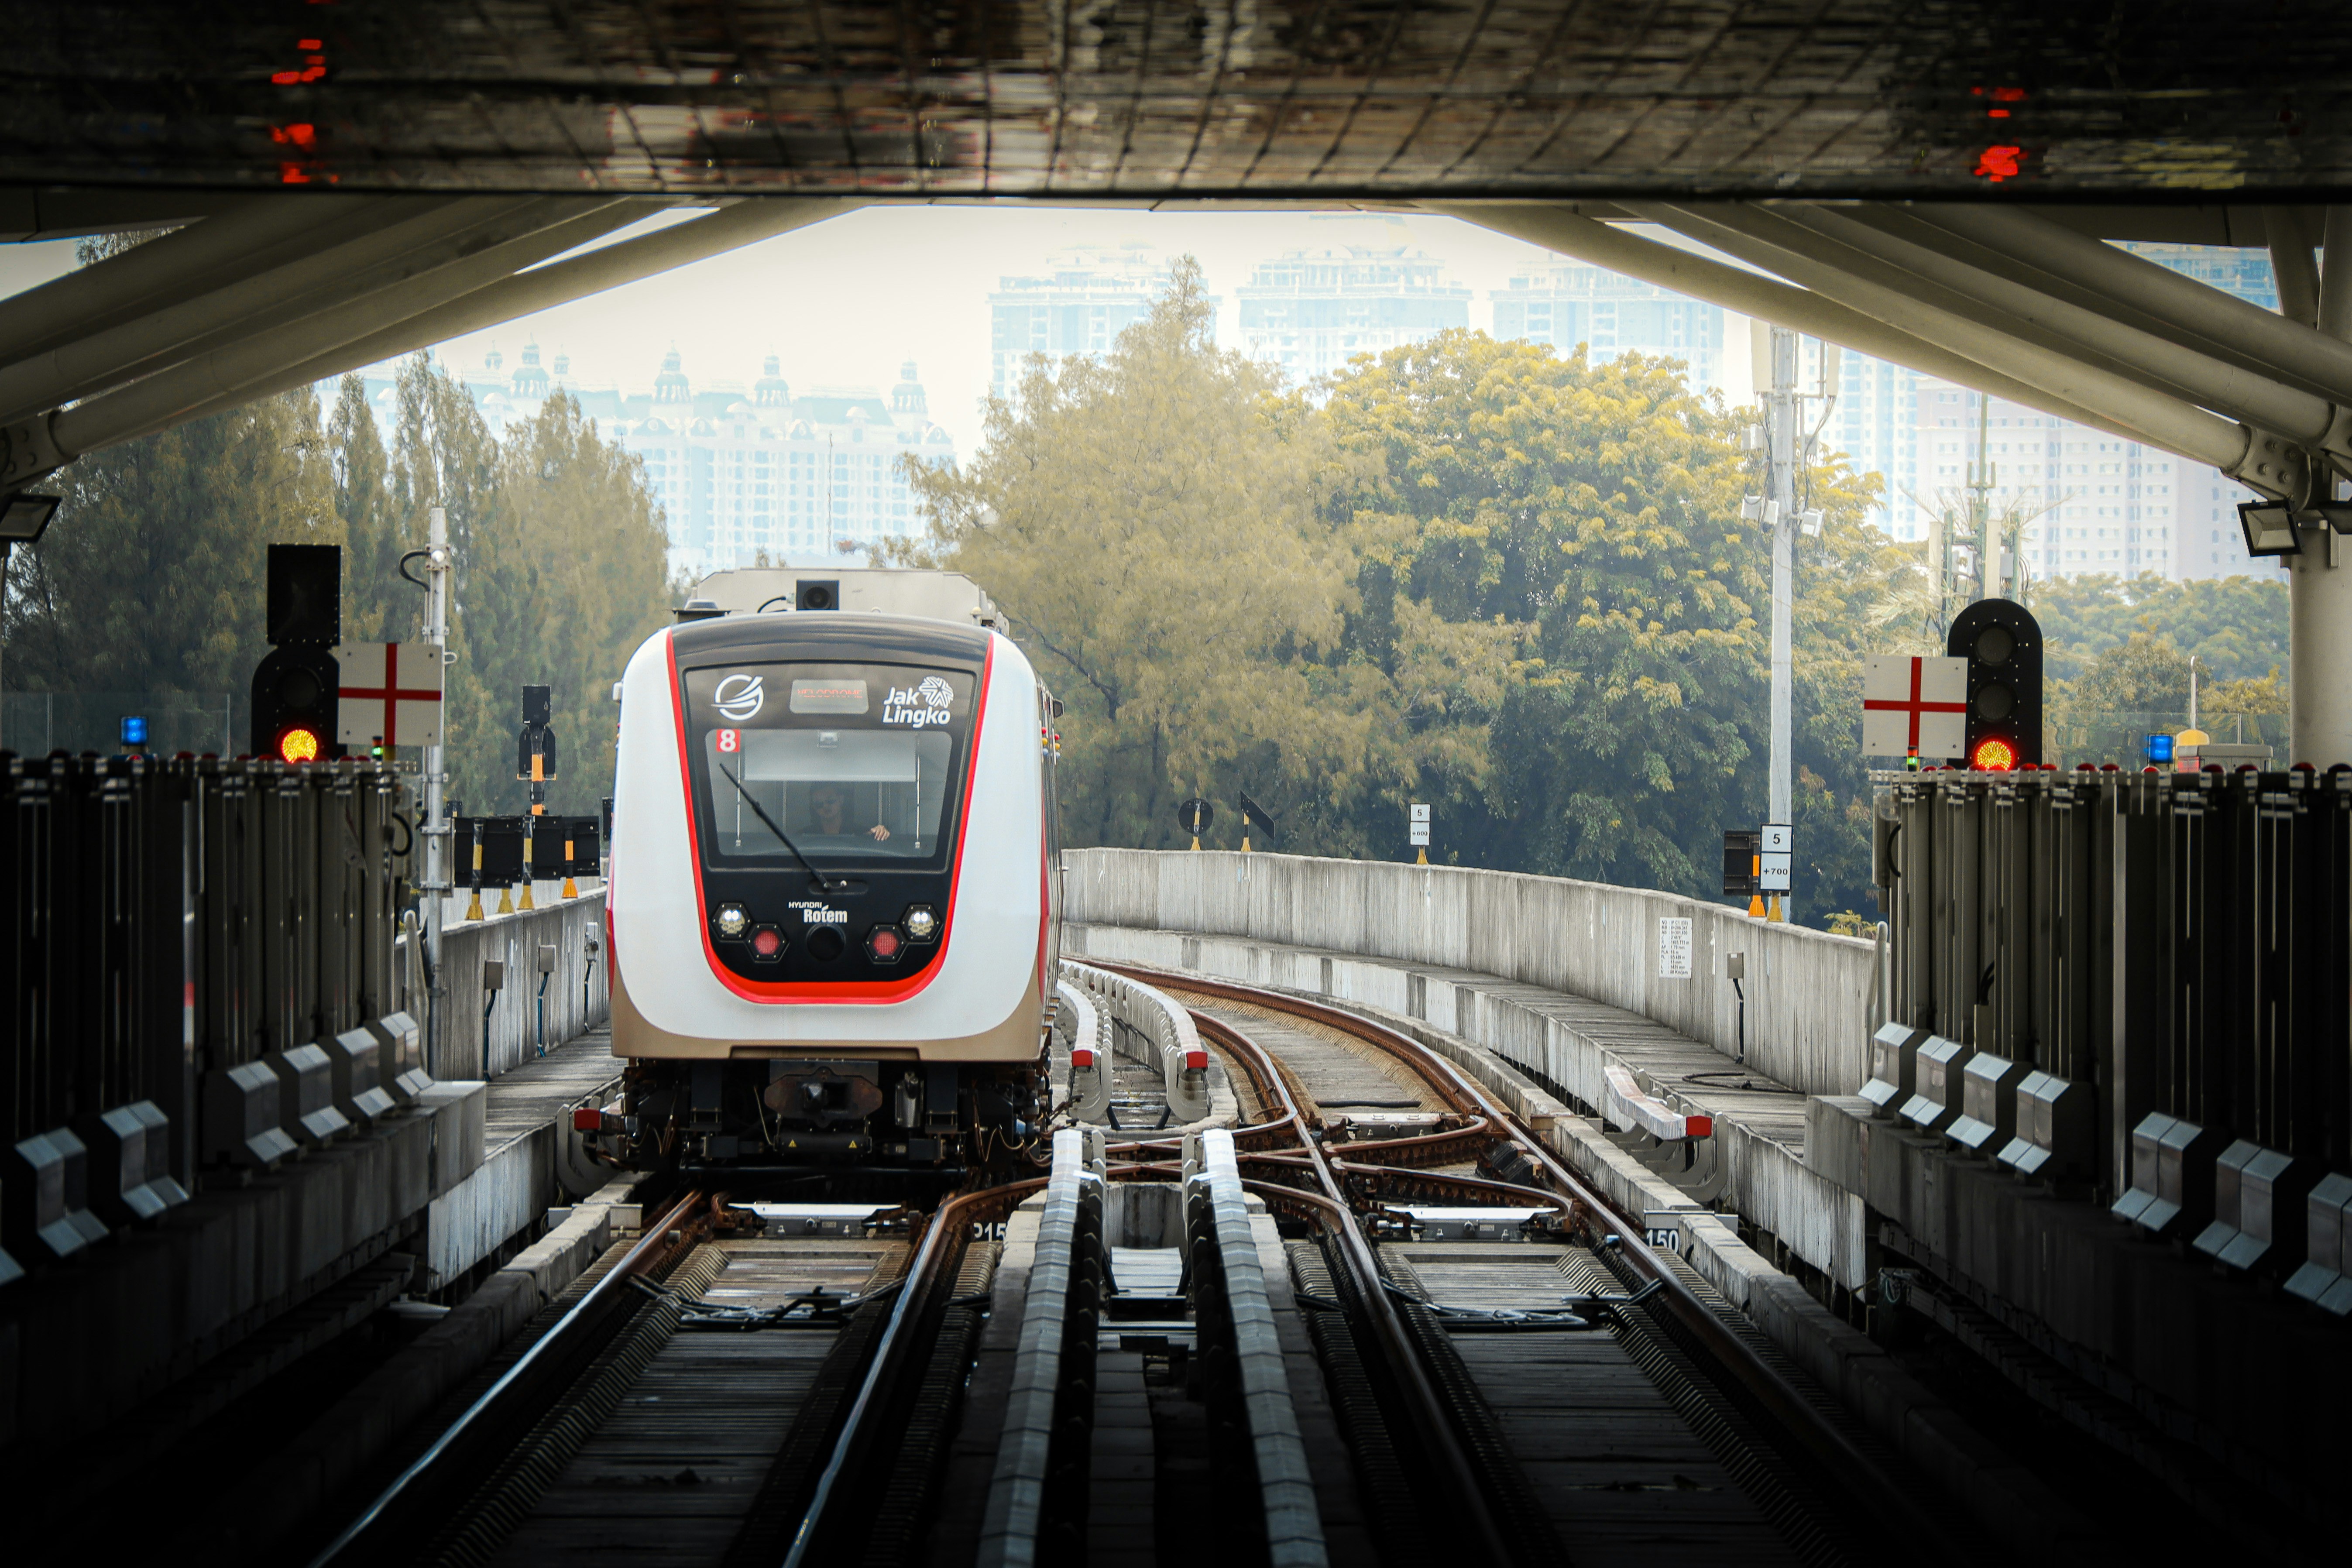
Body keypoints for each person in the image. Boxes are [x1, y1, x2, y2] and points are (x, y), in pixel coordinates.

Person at [808, 781, 889, 841]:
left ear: (841, 800)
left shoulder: (859, 832)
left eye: (830, 801)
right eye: (819, 804)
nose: (825, 806)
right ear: (814, 807)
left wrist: (881, 832)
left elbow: (874, 837)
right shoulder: (806, 836)